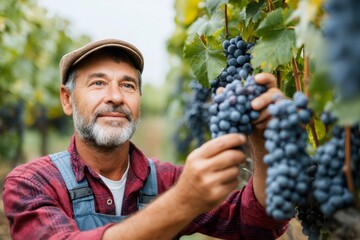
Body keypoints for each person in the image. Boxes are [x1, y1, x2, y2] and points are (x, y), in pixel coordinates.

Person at [2, 38, 288, 240]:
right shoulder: (31, 183)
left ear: (139, 98)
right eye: (98, 83)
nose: (115, 97)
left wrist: (262, 141)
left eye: (128, 85)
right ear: (67, 99)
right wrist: (180, 203)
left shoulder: (167, 180)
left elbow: (257, 226)